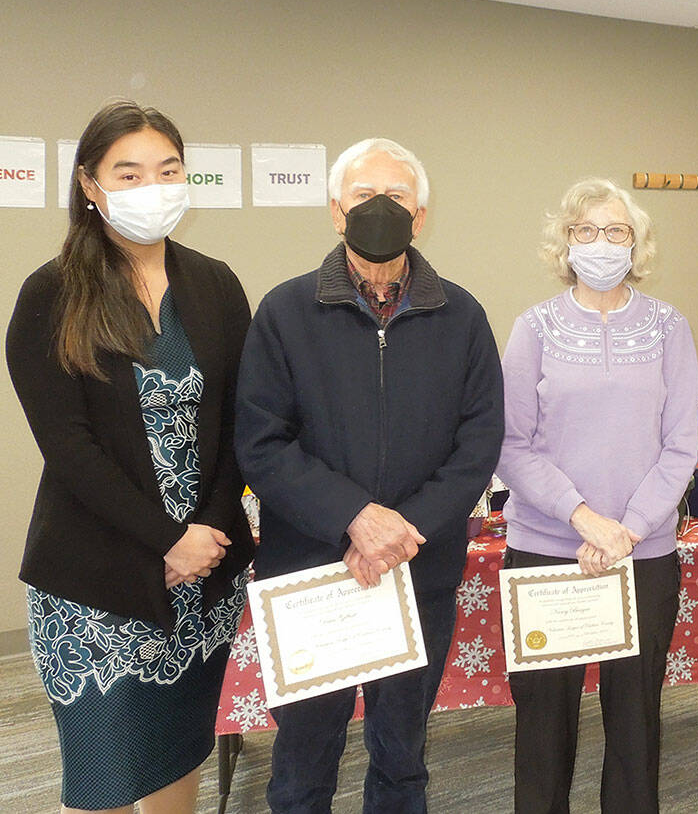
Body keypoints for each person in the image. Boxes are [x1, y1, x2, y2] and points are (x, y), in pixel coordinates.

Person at [235, 138, 504, 813]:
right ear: (335, 211)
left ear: (420, 217)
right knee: (302, 765)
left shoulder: (463, 317)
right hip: (312, 576)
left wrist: (399, 530)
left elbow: (477, 446)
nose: (378, 208)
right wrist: (355, 517)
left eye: (396, 197)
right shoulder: (284, 312)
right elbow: (261, 444)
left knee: (402, 758)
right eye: (362, 196)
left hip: (418, 572)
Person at [6, 100, 254, 814]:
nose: (154, 187)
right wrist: (166, 539)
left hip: (202, 573)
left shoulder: (215, 282)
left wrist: (206, 534)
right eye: (129, 173)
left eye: (169, 170)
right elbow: (69, 448)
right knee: (105, 780)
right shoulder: (52, 293)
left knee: (178, 755)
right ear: (90, 184)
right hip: (99, 580)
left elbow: (243, 420)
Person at [496, 178, 698, 814]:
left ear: (636, 243)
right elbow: (511, 446)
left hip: (642, 554)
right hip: (547, 553)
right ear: (566, 242)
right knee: (543, 726)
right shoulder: (533, 328)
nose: (601, 242)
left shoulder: (669, 327)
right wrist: (586, 520)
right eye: (586, 230)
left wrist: (626, 531)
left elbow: (680, 448)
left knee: (636, 724)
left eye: (616, 231)